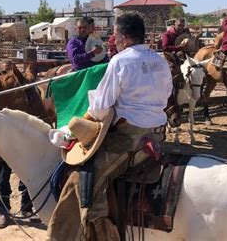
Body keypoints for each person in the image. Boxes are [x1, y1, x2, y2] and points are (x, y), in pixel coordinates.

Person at [48, 13, 172, 240]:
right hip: (157, 134)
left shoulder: (120, 61)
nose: (114, 39)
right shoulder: (160, 60)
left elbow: (100, 107)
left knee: (81, 179)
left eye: (115, 35)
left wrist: (79, 124)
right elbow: (167, 94)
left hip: (128, 137)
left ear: (124, 37)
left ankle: (89, 233)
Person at [0, 60, 40, 229]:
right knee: (3, 177)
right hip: (5, 141)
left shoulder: (22, 93)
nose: (7, 75)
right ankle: (3, 211)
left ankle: (26, 208)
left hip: (21, 140)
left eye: (10, 72)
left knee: (25, 175)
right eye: (4, 72)